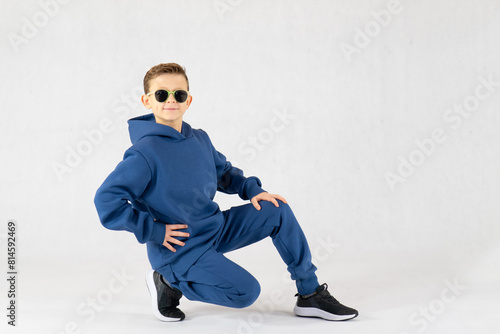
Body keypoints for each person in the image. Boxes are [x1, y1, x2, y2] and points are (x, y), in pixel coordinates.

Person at [94, 63, 358, 322]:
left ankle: (309, 294)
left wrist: (251, 190)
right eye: (162, 94)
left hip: (215, 228)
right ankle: (169, 282)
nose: (171, 100)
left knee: (276, 210)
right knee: (246, 292)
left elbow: (223, 173)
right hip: (179, 247)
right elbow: (106, 200)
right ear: (147, 101)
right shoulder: (144, 153)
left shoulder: (199, 138)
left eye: (179, 94)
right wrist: (154, 232)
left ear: (189, 101)